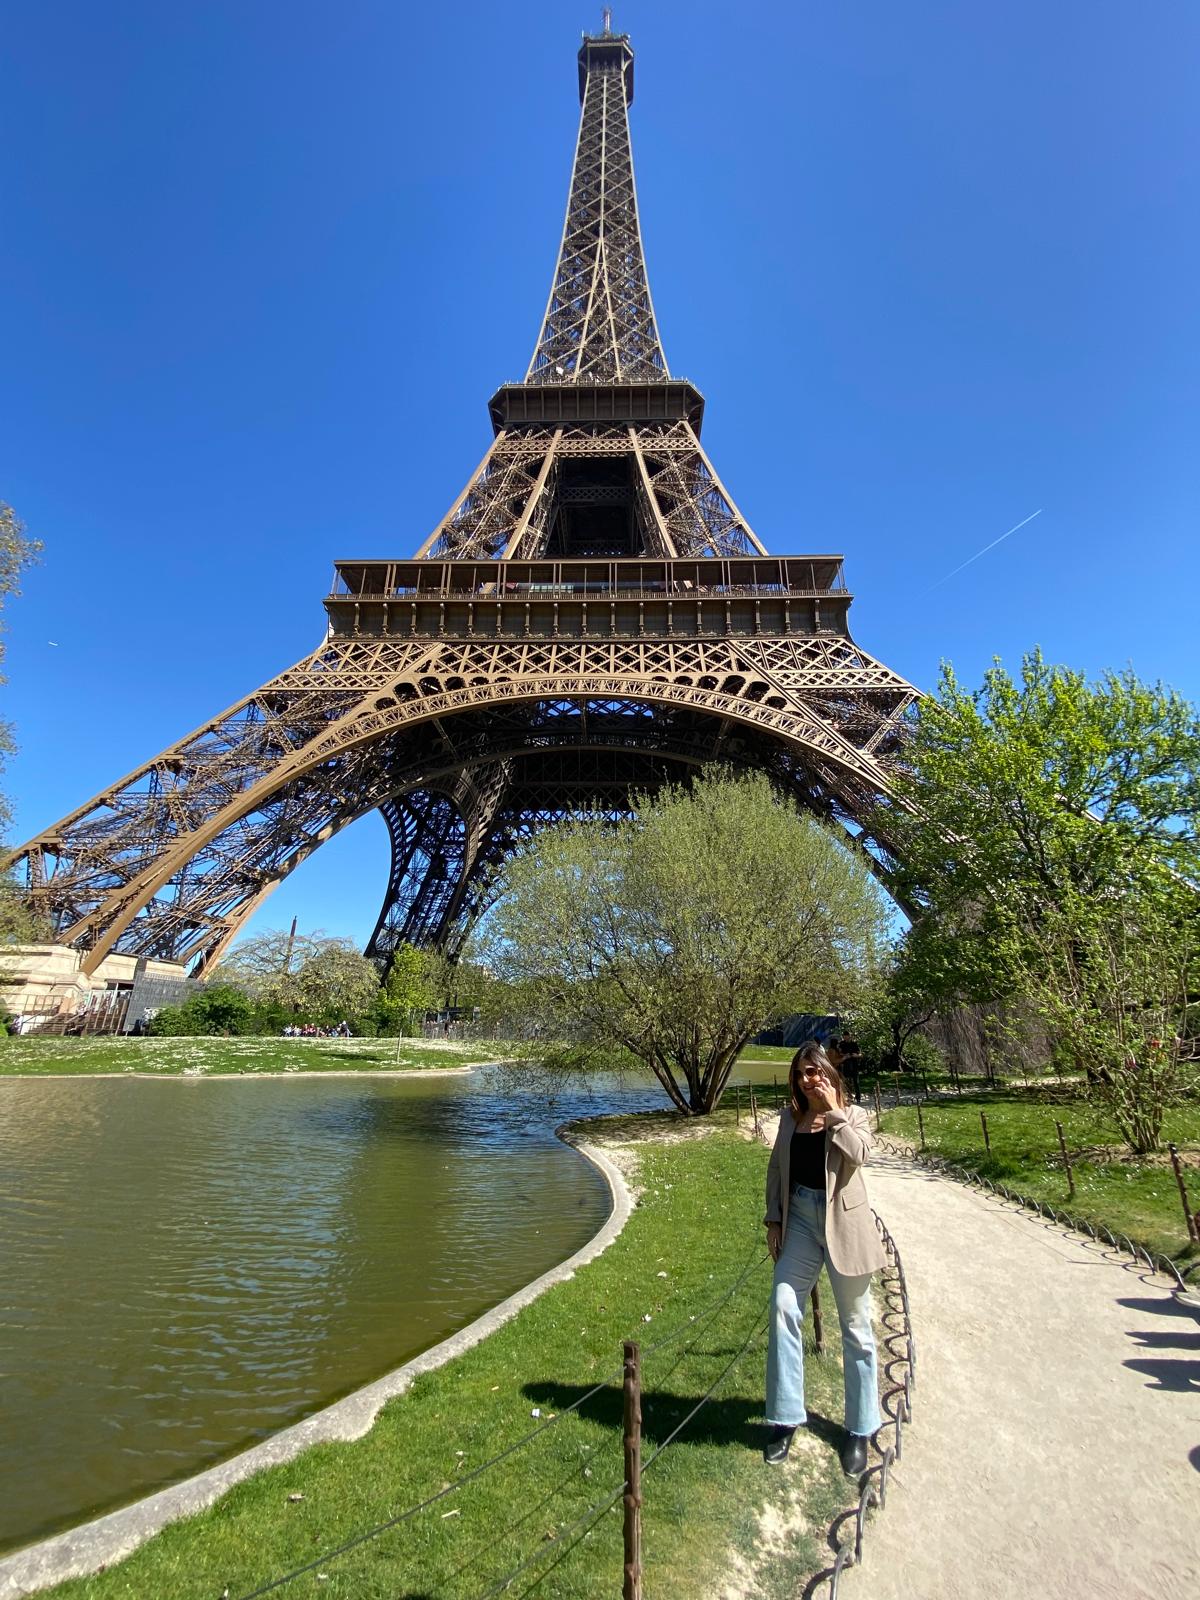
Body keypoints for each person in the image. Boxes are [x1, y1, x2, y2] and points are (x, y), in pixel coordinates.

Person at [763, 1040, 886, 1475]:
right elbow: (777, 1169)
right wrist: (773, 1219)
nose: (806, 1080)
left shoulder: (854, 1116)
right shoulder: (789, 1119)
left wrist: (834, 1113)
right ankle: (784, 1416)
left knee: (856, 1327)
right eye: (799, 1074)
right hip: (798, 1218)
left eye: (812, 1072)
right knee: (782, 1306)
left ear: (828, 1074)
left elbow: (861, 1155)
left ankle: (860, 1428)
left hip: (845, 1225)